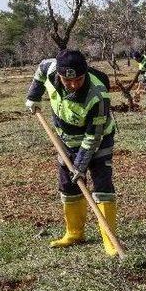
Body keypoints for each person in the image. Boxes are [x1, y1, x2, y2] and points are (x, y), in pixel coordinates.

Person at [25, 49, 118, 257]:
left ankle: (110, 241)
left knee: (102, 184)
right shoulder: (50, 69)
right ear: (59, 75)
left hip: (99, 139)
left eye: (78, 79)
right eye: (68, 81)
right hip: (66, 140)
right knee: (68, 184)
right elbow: (40, 70)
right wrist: (33, 96)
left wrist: (81, 165)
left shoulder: (98, 95)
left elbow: (93, 137)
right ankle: (74, 233)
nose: (74, 84)